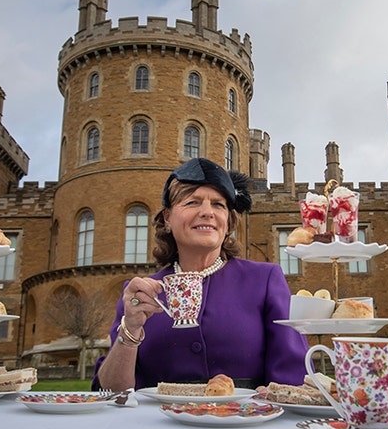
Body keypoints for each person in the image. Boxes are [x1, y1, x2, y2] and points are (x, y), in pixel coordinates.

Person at [93, 158, 309, 391]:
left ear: (228, 220)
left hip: (242, 422)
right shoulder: (140, 293)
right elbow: (111, 393)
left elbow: (293, 379)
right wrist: (131, 329)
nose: (207, 212)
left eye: (218, 204)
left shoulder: (264, 280)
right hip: (157, 425)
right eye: (192, 202)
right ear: (167, 218)